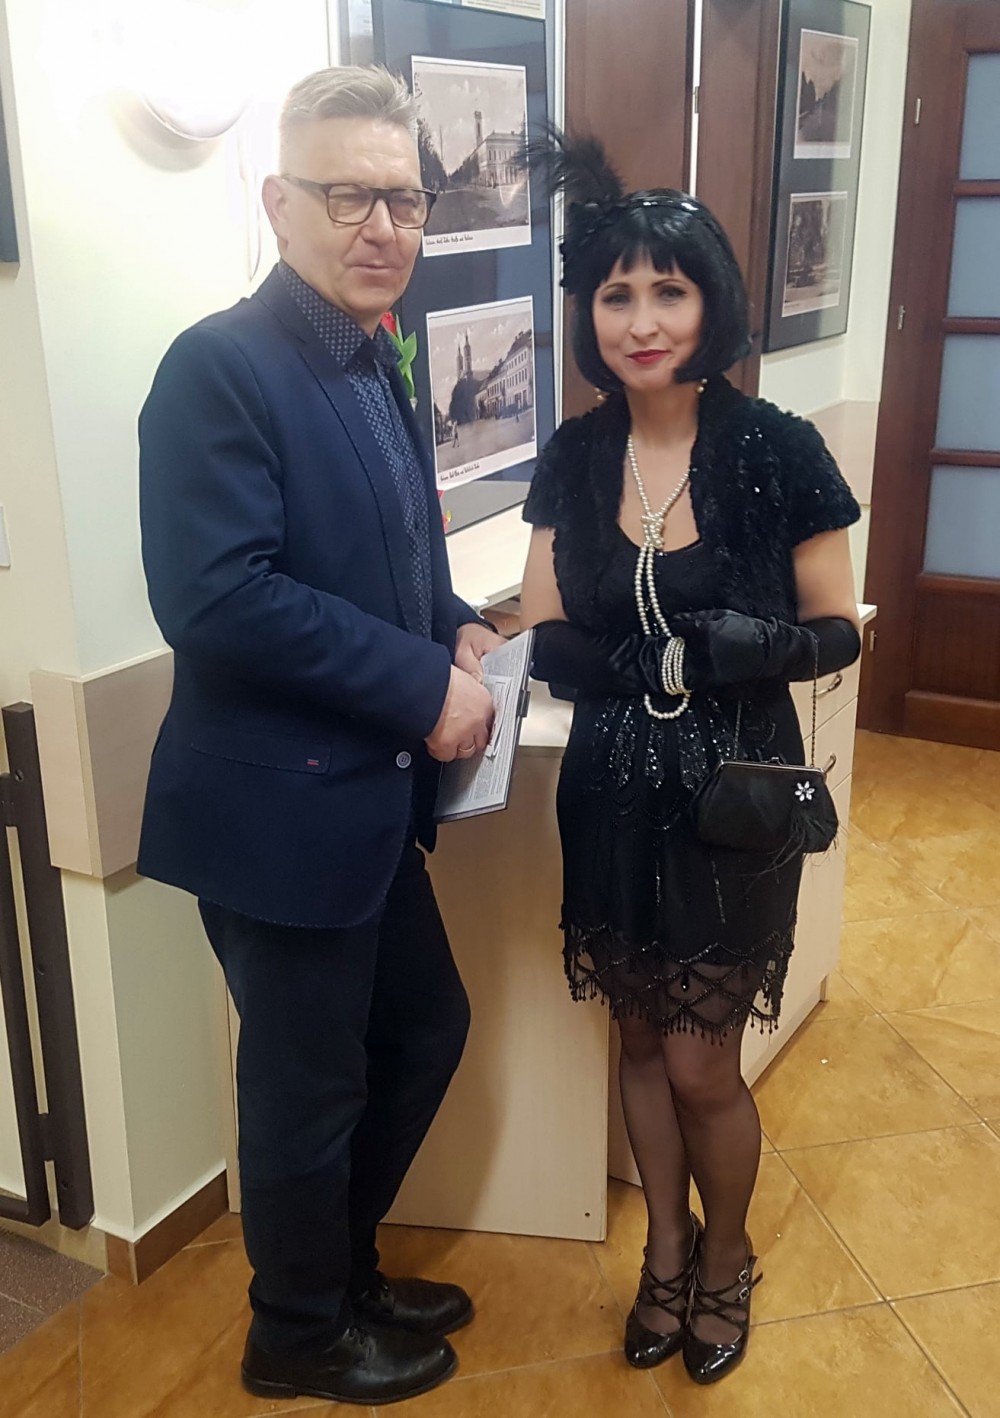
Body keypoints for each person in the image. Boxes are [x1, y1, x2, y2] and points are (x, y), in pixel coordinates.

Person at [137, 65, 504, 1407]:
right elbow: (217, 597)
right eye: (348, 196)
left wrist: (456, 626)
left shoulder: (377, 354)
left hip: (360, 809)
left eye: (403, 199)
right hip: (274, 821)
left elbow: (387, 553)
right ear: (278, 201)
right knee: (305, 1092)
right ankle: (292, 1332)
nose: (382, 225)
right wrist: (418, 686)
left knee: (422, 1030)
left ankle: (339, 1270)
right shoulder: (219, 365)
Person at [520, 133, 861, 1386]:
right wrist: (639, 662)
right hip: (611, 782)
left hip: (735, 788)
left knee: (702, 1058)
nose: (642, 320)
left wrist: (750, 647)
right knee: (635, 1038)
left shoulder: (777, 447)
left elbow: (837, 629)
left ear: (709, 300)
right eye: (616, 294)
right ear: (590, 314)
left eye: (668, 290)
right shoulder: (573, 455)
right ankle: (660, 1253)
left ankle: (726, 1255)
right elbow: (546, 632)